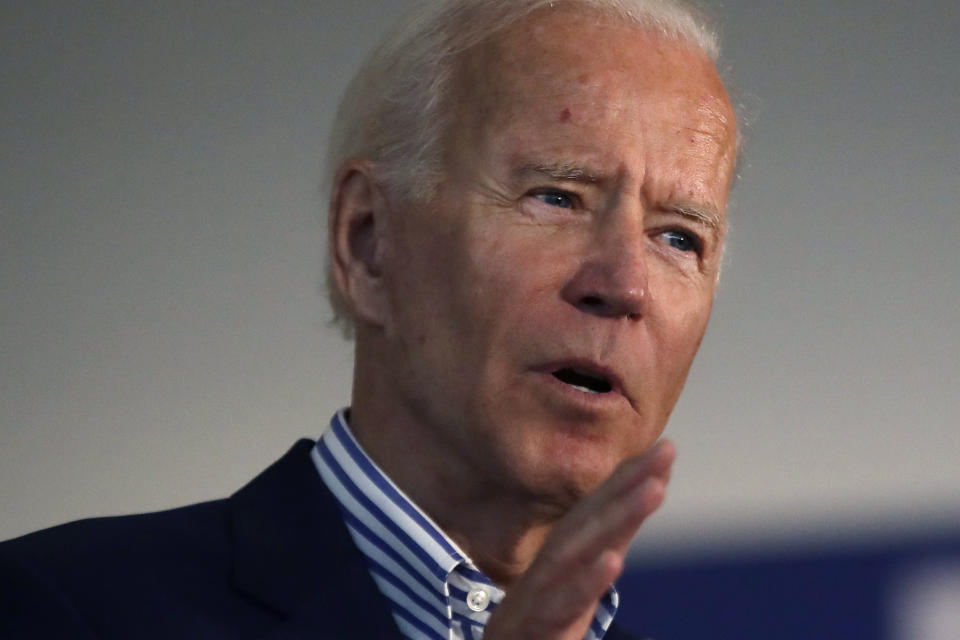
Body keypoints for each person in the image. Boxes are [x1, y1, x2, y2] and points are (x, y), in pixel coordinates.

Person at [0, 0, 738, 638]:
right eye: (557, 196)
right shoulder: (62, 610)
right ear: (369, 243)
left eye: (680, 237)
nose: (625, 284)